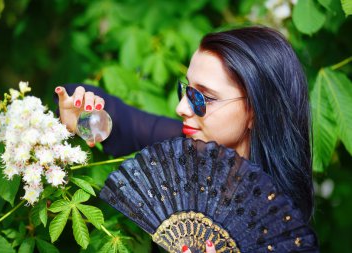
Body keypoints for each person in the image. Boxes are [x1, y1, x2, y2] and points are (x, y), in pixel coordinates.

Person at [55, 26, 317, 253]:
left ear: (256, 112)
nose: (182, 107)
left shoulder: (279, 227)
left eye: (202, 98)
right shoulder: (183, 147)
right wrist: (79, 115)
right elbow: (116, 117)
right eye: (187, 90)